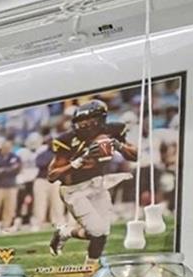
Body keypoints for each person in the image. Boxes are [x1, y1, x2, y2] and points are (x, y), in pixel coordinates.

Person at [43, 97, 136, 262]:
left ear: (100, 119)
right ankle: (65, 233)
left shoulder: (113, 130)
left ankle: (90, 265)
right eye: (80, 121)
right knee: (97, 231)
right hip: (74, 190)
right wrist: (78, 162)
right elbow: (52, 176)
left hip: (97, 184)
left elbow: (135, 156)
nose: (83, 125)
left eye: (88, 120)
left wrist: (119, 146)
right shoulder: (67, 139)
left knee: (102, 233)